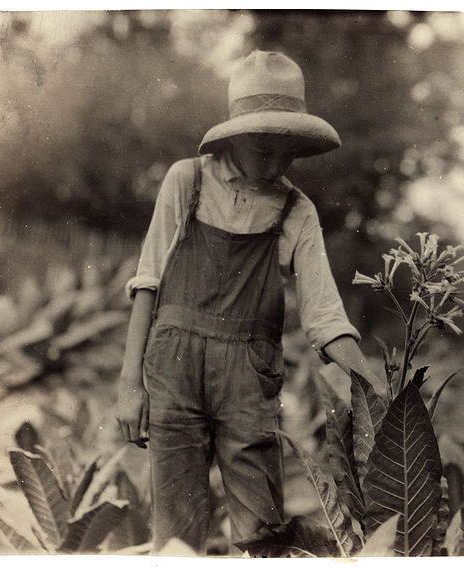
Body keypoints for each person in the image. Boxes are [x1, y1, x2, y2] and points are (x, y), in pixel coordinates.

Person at [115, 50, 378, 554]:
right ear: (235, 135)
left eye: (289, 152)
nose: (277, 164)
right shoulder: (185, 182)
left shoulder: (296, 209)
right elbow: (147, 281)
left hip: (248, 381)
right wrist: (131, 386)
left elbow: (324, 316)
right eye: (264, 149)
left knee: (264, 532)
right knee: (177, 533)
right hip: (172, 372)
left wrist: (373, 393)